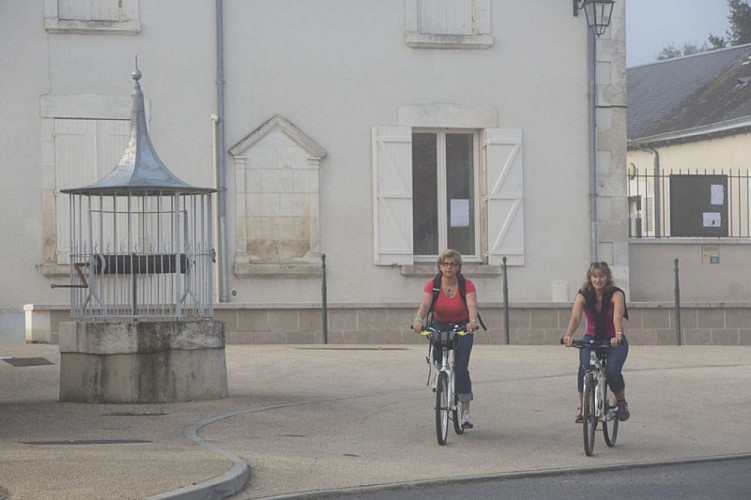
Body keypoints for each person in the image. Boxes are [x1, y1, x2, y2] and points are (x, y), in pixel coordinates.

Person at [412, 249, 479, 429]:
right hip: (440, 324)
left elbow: (472, 305)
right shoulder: (433, 284)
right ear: (440, 266)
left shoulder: (467, 285)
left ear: (458, 267)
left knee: (461, 367)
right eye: (445, 264)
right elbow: (425, 305)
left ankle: (465, 412)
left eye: (453, 264)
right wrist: (418, 319)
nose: (449, 267)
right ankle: (441, 374)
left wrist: (472, 322)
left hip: (462, 326)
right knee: (439, 359)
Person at [563, 261, 630, 423]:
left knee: (612, 372)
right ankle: (584, 408)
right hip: (591, 339)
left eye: (601, 276)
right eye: (594, 276)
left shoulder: (616, 294)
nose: (598, 280)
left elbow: (617, 318)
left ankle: (621, 402)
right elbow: (575, 317)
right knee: (584, 368)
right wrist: (568, 335)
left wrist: (618, 335)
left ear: (607, 278)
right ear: (590, 278)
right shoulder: (583, 295)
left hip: (614, 340)